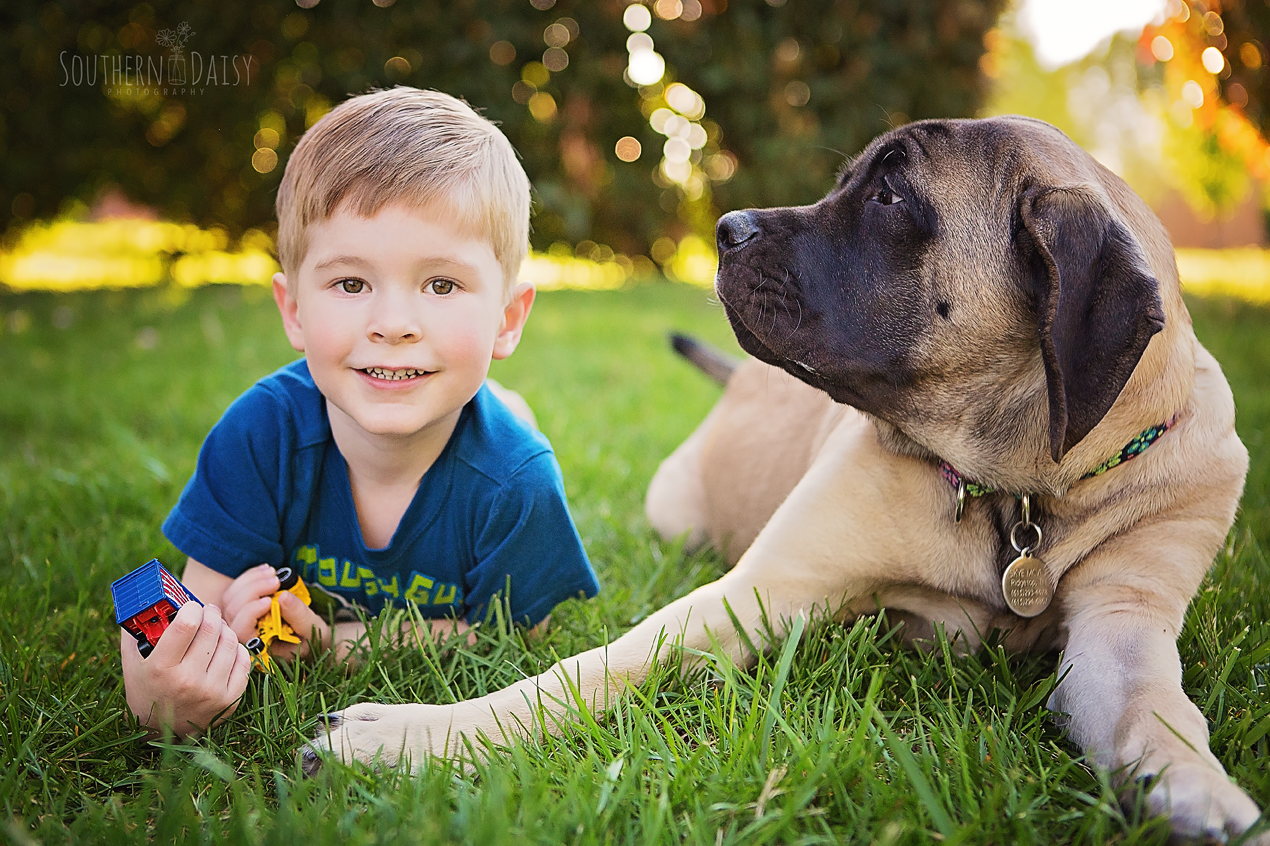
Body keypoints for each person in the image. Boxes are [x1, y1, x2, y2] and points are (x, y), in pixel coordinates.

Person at [121, 87, 601, 738]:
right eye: (352, 284)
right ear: (293, 310)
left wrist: (337, 646)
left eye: (441, 284)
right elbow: (192, 618)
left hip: (493, 451)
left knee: (503, 430)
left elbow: (515, 635)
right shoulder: (258, 437)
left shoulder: (517, 481)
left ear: (507, 319)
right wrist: (176, 680)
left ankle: (499, 406)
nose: (394, 324)